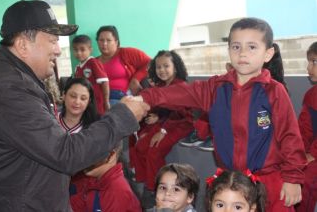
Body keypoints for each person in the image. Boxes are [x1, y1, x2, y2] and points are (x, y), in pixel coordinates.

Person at [0, 0, 149, 211]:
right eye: (52, 41)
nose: (59, 50)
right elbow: (65, 154)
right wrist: (123, 116)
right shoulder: (10, 90)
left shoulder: (5, 77)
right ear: (23, 45)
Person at [135, 17, 307, 211]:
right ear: (228, 51)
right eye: (236, 47)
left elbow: (291, 136)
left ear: (268, 54)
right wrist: (143, 98)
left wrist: (293, 179)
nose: (242, 53)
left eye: (252, 47)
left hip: (270, 181)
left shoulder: (274, 92)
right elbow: (179, 93)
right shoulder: (215, 88)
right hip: (231, 184)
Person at [131, 50, 194, 204]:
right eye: (158, 67)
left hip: (180, 124)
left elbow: (179, 113)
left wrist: (162, 131)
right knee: (140, 145)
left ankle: (155, 190)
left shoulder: (180, 86)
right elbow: (162, 108)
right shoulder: (159, 86)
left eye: (166, 66)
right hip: (165, 123)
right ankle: (146, 181)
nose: (162, 70)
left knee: (154, 150)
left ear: (175, 67)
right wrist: (157, 118)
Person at [70, 141, 142, 212]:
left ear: (111, 156)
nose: (85, 160)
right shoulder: (95, 182)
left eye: (93, 154)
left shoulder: (116, 192)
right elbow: (73, 205)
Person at [96, 25, 151, 105]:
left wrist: (136, 79)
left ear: (116, 42)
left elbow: (151, 63)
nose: (104, 43)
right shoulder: (93, 62)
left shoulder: (127, 53)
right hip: (101, 99)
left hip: (122, 97)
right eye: (101, 40)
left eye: (108, 40)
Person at [295, 42, 317, 212]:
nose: (308, 67)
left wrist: (313, 154)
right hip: (311, 154)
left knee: (309, 177)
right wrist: (300, 153)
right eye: (309, 61)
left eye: (314, 62)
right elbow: (303, 129)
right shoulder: (311, 95)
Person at [73, 34, 110, 115]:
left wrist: (106, 102)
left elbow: (104, 82)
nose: (78, 53)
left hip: (96, 104)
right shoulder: (77, 68)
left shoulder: (93, 62)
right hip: (84, 103)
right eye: (76, 50)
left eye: (82, 50)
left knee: (97, 122)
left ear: (90, 50)